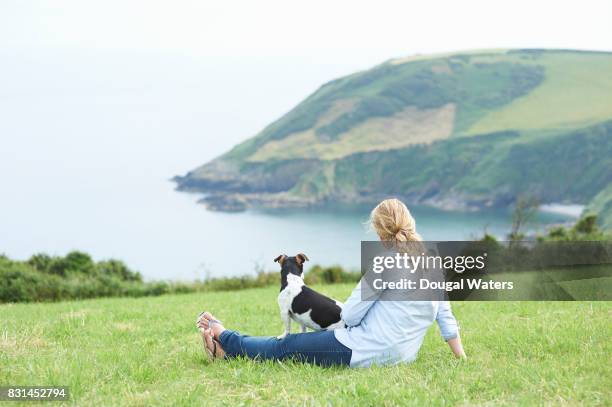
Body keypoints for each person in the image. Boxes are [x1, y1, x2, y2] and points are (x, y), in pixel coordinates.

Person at [197, 198, 466, 367]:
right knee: (299, 345)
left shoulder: (385, 264)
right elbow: (445, 317)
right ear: (411, 223)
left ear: (381, 234)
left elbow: (349, 315)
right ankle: (224, 354)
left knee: (286, 347)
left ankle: (225, 337)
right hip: (404, 356)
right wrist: (460, 359)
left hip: (362, 350)